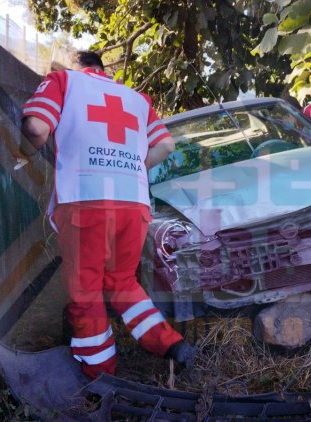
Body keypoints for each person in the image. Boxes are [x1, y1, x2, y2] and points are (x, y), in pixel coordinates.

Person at [20, 51, 195, 379]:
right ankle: (170, 344)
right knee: (122, 282)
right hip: (134, 202)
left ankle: (100, 372)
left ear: (78, 67)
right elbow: (166, 147)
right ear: (103, 69)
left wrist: (24, 152)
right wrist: (132, 169)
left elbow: (35, 126)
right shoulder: (137, 99)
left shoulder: (63, 81)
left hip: (85, 201)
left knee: (85, 290)